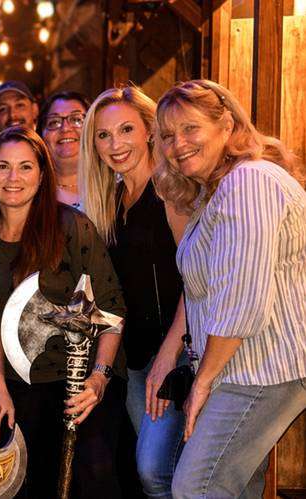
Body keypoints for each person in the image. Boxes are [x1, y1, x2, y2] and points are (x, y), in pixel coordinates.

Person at [150, 79, 306, 499]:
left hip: (263, 368)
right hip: (239, 367)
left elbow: (243, 301)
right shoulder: (214, 193)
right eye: (168, 135)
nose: (178, 144)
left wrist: (203, 381)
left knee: (195, 487)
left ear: (227, 125)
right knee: (234, 490)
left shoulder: (249, 181)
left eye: (190, 128)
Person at [0, 126, 126, 498]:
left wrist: (99, 378)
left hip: (81, 380)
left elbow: (112, 308)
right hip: (17, 383)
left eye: (25, 167)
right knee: (23, 482)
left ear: (41, 175)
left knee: (92, 476)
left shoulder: (71, 227)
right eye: (3, 166)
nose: (14, 177)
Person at [77, 86, 187, 498]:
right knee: (154, 475)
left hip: (177, 355)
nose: (115, 144)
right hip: (133, 361)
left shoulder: (170, 190)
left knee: (154, 471)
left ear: (149, 130)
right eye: (103, 135)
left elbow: (198, 281)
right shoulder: (109, 201)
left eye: (126, 129)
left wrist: (170, 354)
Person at [38, 91, 90, 208]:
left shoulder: (117, 186)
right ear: (41, 136)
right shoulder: (31, 193)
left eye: (76, 119)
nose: (65, 128)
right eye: (54, 122)